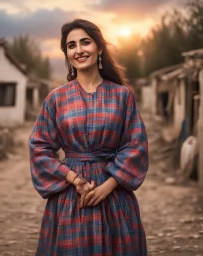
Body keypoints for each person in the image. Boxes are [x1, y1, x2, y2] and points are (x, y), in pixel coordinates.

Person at [29, 19, 148, 256]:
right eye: (71, 45)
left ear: (99, 47)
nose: (79, 50)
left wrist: (108, 186)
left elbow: (136, 145)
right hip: (70, 198)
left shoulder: (122, 96)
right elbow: (39, 148)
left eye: (85, 42)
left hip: (115, 197)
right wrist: (74, 179)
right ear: (67, 54)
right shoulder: (56, 99)